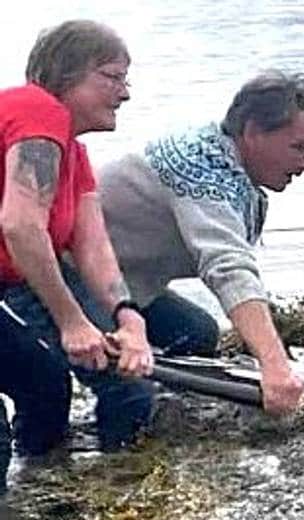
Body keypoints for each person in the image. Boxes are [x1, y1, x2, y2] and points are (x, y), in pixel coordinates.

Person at [98, 71, 304, 417]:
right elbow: (228, 267)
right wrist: (275, 367)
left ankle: (173, 423)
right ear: (252, 132)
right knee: (131, 389)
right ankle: (108, 454)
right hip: (63, 276)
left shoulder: (227, 162)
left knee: (195, 334)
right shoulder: (201, 169)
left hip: (125, 285)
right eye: (298, 148)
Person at [0, 20, 156, 475]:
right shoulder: (37, 110)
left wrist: (130, 319)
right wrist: (72, 323)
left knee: (52, 384)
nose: (124, 93)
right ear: (64, 76)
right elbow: (20, 226)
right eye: (111, 77)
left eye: (125, 80)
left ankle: (62, 504)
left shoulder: (75, 151)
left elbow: (93, 245)